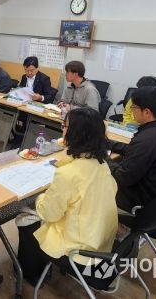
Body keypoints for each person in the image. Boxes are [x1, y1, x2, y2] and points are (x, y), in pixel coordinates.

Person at [17, 108, 118, 288]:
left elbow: (49, 214)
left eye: (65, 126)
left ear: (75, 134)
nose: (62, 130)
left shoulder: (68, 174)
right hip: (101, 240)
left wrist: (40, 197)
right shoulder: (102, 163)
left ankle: (32, 275)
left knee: (24, 218)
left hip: (80, 251)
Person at [107, 86, 156, 212]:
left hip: (143, 202)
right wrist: (109, 144)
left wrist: (103, 156)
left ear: (146, 112)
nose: (132, 111)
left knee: (94, 181)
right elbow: (135, 150)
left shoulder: (146, 139)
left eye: (134, 107)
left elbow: (122, 177)